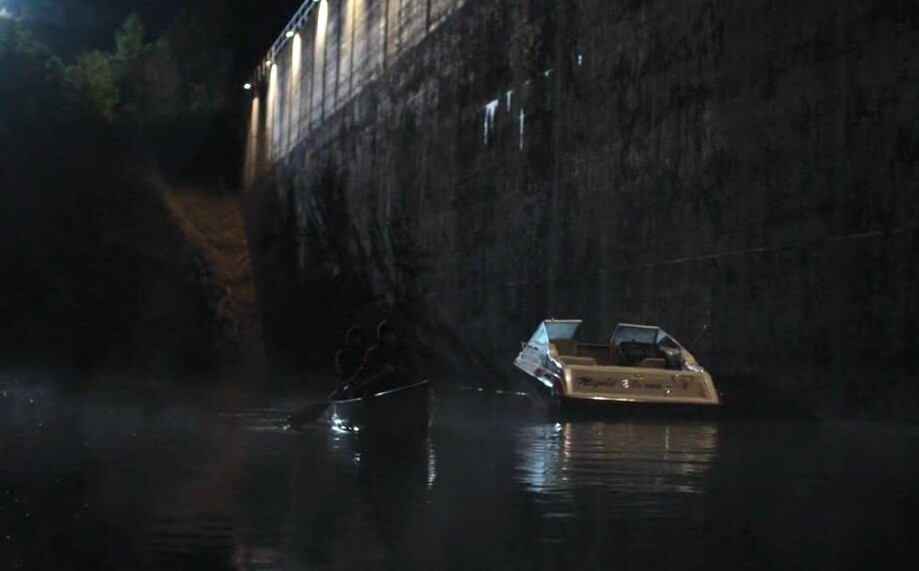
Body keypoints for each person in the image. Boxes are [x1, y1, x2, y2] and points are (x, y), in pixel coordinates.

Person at [345, 320, 417, 397]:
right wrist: (351, 384)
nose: (388, 337)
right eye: (385, 334)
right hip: (379, 390)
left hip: (403, 389)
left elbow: (414, 370)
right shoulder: (374, 353)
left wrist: (396, 370)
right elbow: (364, 372)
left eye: (390, 334)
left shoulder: (405, 350)